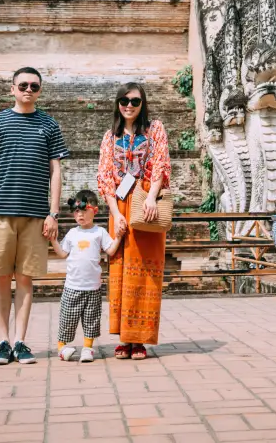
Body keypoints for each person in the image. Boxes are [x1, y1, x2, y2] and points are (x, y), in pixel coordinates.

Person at [0, 66, 69, 366]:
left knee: (25, 279)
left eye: (34, 86)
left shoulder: (49, 125)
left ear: (40, 91)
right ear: (12, 89)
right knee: (1, 278)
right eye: (23, 85)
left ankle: (20, 341)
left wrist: (53, 213)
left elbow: (56, 172)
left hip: (36, 216)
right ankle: (2, 341)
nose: (28, 89)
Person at [97, 82, 171, 360]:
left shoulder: (155, 130)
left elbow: (161, 163)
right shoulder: (110, 137)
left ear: (143, 104)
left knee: (144, 272)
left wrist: (151, 197)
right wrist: (115, 215)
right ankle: (124, 338)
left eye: (135, 101)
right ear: (118, 103)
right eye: (124, 100)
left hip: (145, 203)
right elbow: (105, 176)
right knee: (120, 272)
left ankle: (138, 339)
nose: (129, 105)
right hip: (119, 204)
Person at [50, 189, 124, 362]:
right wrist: (53, 240)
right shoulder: (72, 233)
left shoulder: (100, 232)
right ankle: (62, 347)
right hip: (72, 286)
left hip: (93, 287)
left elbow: (111, 250)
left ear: (94, 210)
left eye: (83, 211)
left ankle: (88, 348)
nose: (79, 215)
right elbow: (62, 253)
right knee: (67, 318)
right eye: (76, 211)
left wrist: (119, 237)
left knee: (91, 320)